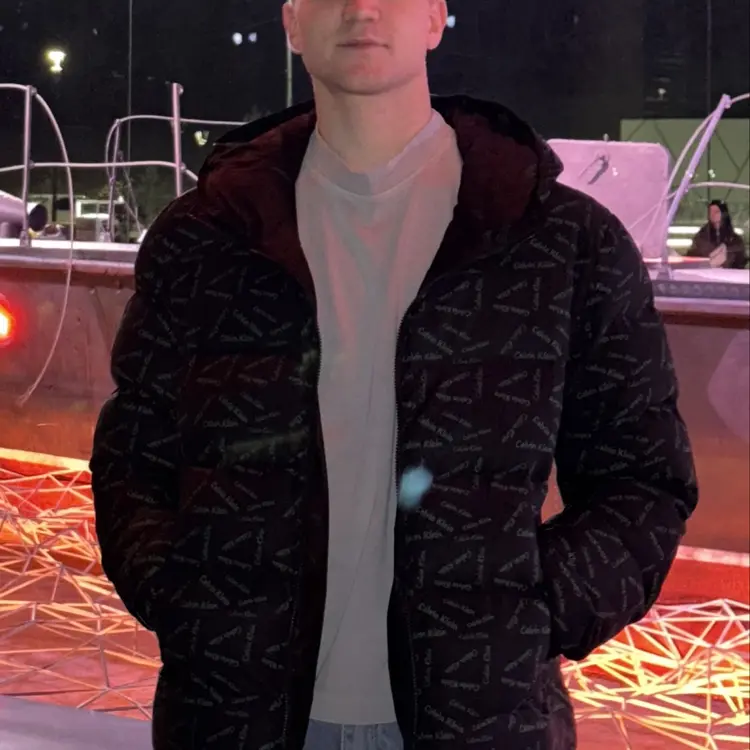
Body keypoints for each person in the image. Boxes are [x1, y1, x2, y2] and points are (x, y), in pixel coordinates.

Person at [90, 0, 698, 748]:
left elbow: (642, 480)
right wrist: (190, 602)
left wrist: (529, 613)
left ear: (437, 17)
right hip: (234, 715)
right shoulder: (205, 239)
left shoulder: (560, 241)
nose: (361, 7)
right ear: (292, 22)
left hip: (479, 722)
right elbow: (132, 459)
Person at [687, 200, 748, 268]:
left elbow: (741, 263)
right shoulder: (701, 237)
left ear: (723, 214)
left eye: (716, 212)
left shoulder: (736, 241)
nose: (712, 214)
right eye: (710, 212)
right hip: (704, 273)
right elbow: (692, 258)